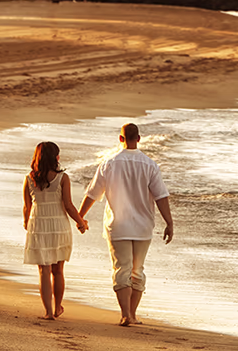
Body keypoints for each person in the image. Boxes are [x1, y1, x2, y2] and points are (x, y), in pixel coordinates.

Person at [79, 123, 174, 327]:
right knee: (137, 270)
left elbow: (92, 194)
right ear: (138, 138)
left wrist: (80, 217)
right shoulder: (150, 165)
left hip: (117, 225)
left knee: (122, 269)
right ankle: (132, 314)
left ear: (120, 139)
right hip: (143, 226)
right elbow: (161, 196)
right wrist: (169, 222)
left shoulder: (109, 163)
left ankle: (125, 315)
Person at [23, 141, 88, 320]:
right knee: (58, 271)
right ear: (56, 157)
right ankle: (58, 306)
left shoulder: (29, 178)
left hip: (38, 225)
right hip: (59, 226)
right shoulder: (62, 178)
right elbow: (68, 205)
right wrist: (81, 222)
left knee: (43, 271)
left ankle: (48, 312)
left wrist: (27, 223)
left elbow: (27, 207)